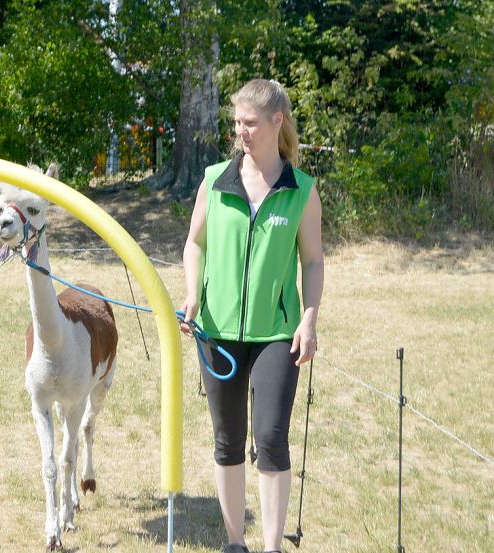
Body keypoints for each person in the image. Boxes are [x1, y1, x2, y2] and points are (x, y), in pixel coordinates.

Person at [179, 79, 324, 553]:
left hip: (277, 334)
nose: (241, 132)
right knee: (227, 439)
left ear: (276, 122)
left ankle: (271, 548)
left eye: (250, 123)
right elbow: (194, 244)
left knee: (270, 437)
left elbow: (312, 260)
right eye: (237, 122)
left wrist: (309, 318)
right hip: (216, 331)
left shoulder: (300, 190)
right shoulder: (214, 179)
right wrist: (193, 296)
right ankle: (235, 543)